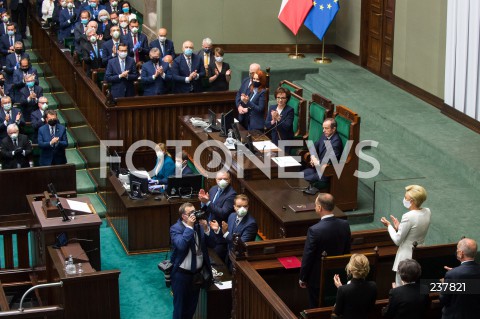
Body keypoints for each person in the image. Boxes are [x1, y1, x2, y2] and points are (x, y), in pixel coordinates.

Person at [299, 193, 351, 308]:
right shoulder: (344, 225)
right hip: (338, 276)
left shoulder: (314, 230)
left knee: (316, 308)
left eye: (315, 205)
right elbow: (347, 251)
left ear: (319, 208)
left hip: (317, 280)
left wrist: (303, 277)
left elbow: (308, 256)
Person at [170, 202, 216, 319]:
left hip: (197, 275)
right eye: (191, 213)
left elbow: (212, 244)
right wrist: (189, 227)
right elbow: (181, 245)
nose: (194, 215)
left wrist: (206, 228)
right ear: (183, 216)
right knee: (180, 309)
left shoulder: (199, 226)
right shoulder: (176, 228)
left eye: (194, 211)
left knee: (191, 307)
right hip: (181, 275)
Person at [381, 185, 431, 287]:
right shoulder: (427, 211)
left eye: (406, 198)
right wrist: (400, 227)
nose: (404, 199)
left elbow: (397, 240)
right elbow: (415, 230)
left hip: (406, 257)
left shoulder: (408, 216)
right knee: (417, 287)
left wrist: (389, 226)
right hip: (420, 253)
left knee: (401, 287)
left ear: (412, 201)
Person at [198, 171, 237, 261]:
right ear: (216, 180)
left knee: (217, 260)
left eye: (225, 179)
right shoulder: (213, 189)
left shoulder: (232, 194)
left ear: (230, 180)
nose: (222, 181)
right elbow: (208, 208)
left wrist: (207, 202)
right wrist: (203, 202)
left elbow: (222, 213)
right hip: (208, 227)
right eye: (220, 179)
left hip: (219, 234)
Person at [440, 238, 480, 319]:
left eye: (457, 249)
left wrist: (444, 283)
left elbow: (443, 300)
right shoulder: (453, 274)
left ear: (461, 253)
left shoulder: (452, 274)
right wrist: (455, 272)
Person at [303, 118, 343, 195]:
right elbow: (313, 147)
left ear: (333, 129)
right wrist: (313, 157)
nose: (323, 130)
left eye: (326, 128)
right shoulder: (325, 135)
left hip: (324, 174)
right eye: (323, 128)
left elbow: (329, 161)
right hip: (316, 169)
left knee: (302, 179)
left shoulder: (336, 143)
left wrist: (316, 162)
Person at [216, 194, 258, 265]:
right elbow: (229, 234)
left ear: (248, 207)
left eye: (245, 206)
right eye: (239, 206)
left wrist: (225, 232)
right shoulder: (232, 216)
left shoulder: (251, 223)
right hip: (229, 254)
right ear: (234, 207)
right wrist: (218, 229)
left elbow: (240, 244)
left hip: (240, 259)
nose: (242, 209)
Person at [332, 254, 377, 319]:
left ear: (350, 268)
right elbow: (370, 309)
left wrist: (340, 288)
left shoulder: (343, 290)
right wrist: (342, 288)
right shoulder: (373, 286)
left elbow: (337, 313)